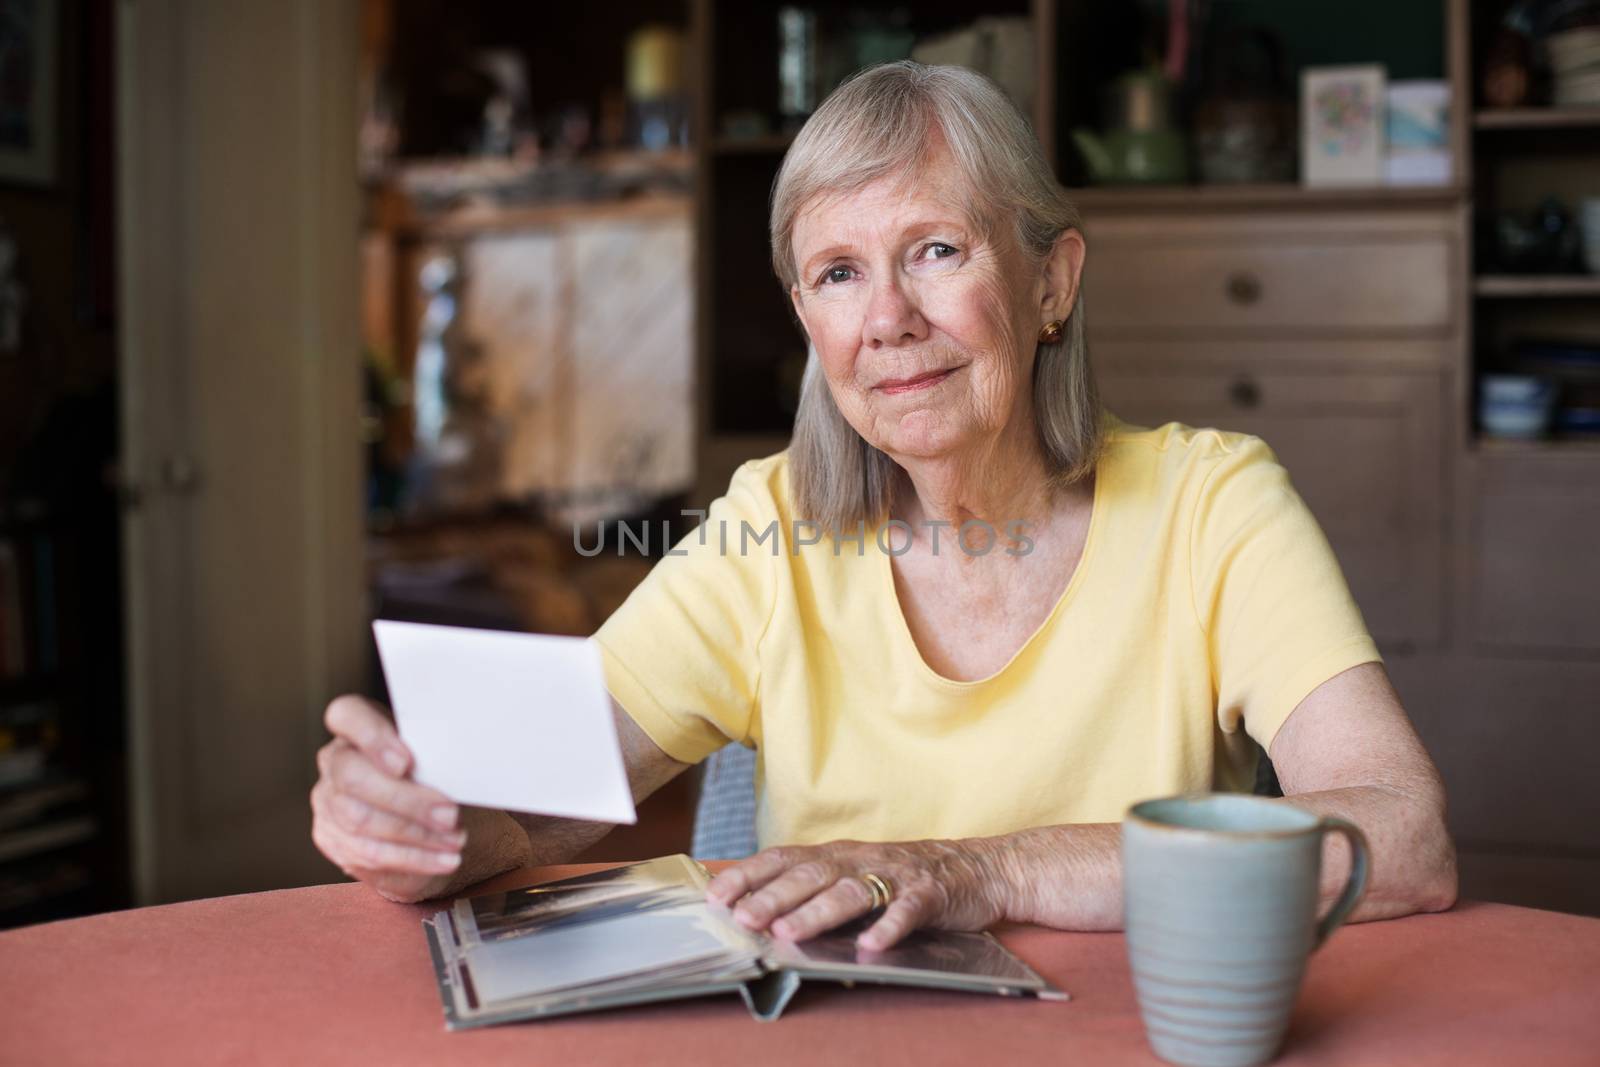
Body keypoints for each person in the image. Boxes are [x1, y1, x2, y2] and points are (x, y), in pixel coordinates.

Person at [311, 62, 1456, 951]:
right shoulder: (766, 532)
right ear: (807, 316)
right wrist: (424, 825)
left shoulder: (1213, 506)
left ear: (1049, 281)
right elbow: (526, 807)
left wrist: (981, 870)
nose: (888, 319)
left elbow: (1400, 838)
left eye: (937, 249)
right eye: (838, 272)